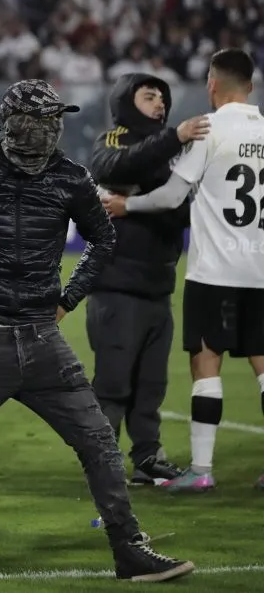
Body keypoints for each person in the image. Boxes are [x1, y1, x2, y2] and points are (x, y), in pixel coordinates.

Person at [0, 79, 192, 583]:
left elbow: (103, 238)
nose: (49, 129)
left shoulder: (70, 177)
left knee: (99, 441)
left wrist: (68, 299)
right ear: (14, 123)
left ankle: (129, 549)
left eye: (54, 121)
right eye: (41, 120)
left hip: (42, 340)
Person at [101, 49, 264, 493]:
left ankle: (202, 470)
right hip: (260, 270)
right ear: (251, 87)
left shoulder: (207, 130)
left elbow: (173, 196)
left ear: (212, 84)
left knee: (205, 363)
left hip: (215, 271)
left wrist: (127, 205)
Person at [87, 74, 210, 486]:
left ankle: (147, 458)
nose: (160, 104)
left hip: (159, 285)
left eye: (163, 98)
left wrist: (140, 199)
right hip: (116, 286)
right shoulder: (115, 139)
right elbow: (111, 166)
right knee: (113, 383)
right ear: (125, 102)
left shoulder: (172, 152)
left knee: (151, 384)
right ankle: (101, 463)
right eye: (149, 96)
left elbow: (183, 210)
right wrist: (174, 140)